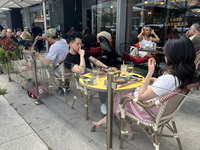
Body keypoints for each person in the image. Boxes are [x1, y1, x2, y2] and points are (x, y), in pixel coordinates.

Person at [92, 36, 197, 140]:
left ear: (173, 56)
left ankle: (119, 123)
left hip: (150, 112)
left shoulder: (168, 79)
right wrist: (155, 80)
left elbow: (141, 97)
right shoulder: (184, 75)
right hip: (165, 112)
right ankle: (111, 119)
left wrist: (149, 73)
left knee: (121, 93)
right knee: (126, 92)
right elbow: (170, 86)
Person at [64, 32, 108, 114]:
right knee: (103, 84)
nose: (80, 46)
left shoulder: (83, 52)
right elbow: (81, 71)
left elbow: (95, 61)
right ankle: (103, 104)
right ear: (71, 44)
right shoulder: (68, 60)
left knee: (110, 80)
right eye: (78, 44)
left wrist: (107, 67)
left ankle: (112, 103)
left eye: (81, 43)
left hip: (93, 76)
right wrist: (81, 56)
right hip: (82, 80)